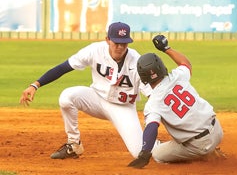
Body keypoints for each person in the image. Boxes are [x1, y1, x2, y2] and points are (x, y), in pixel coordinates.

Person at [19, 22, 152, 159]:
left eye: (124, 43)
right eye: (116, 42)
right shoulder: (95, 50)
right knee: (67, 96)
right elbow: (64, 67)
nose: (120, 47)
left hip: (123, 108)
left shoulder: (137, 61)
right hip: (96, 99)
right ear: (107, 40)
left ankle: (160, 145)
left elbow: (152, 94)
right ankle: (73, 145)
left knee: (138, 153)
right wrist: (35, 84)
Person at [128, 34, 224, 168]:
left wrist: (144, 154)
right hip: (218, 131)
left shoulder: (153, 103)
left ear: (143, 78)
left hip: (199, 146)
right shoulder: (178, 75)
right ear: (161, 66)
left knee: (157, 154)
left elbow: (151, 128)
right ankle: (211, 149)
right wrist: (167, 48)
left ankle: (205, 155)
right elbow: (186, 64)